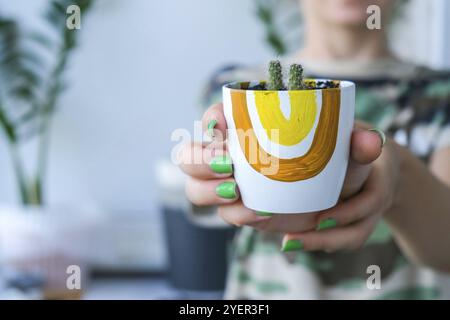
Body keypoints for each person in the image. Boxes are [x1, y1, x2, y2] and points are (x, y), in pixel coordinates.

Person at [178, 0, 450, 299]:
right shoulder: (235, 89)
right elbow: (206, 206)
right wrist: (209, 180)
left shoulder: (441, 97)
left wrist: (399, 177)